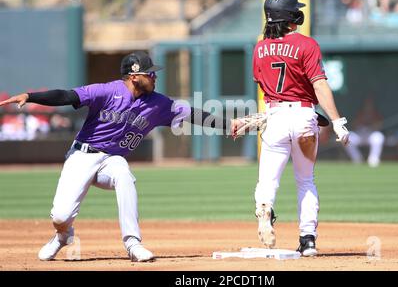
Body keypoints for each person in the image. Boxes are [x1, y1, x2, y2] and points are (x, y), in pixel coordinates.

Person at [0, 51, 230, 262]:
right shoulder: (106, 91)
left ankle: (133, 243)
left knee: (124, 174)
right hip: (82, 155)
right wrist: (30, 96)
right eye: (150, 73)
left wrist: (229, 125)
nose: (154, 77)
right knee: (61, 216)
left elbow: (192, 114)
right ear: (134, 76)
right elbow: (67, 96)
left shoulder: (158, 104)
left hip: (112, 160)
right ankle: (62, 235)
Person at [248, 0, 350, 256]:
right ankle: (308, 241)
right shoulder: (306, 44)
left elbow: (264, 87)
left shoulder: (260, 47)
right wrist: (338, 121)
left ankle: (265, 209)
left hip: (275, 116)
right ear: (292, 16)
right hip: (304, 116)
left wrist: (269, 112)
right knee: (305, 180)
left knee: (267, 181)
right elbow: (319, 84)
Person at [344, 97, 385, 167]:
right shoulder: (360, 112)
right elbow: (354, 125)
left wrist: (372, 125)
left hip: (371, 135)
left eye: (370, 103)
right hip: (360, 134)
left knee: (379, 137)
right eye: (367, 103)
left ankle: (373, 160)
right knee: (346, 137)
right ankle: (357, 159)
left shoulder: (375, 113)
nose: (368, 105)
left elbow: (380, 125)